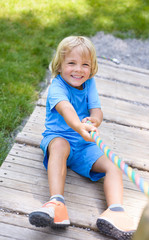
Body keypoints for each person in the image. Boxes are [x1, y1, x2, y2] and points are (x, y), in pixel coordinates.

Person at [29, 36, 136, 240]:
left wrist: (94, 121)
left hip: (84, 144)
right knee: (59, 146)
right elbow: (66, 108)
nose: (78, 70)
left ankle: (115, 211)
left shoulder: (90, 83)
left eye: (85, 64)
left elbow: (97, 110)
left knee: (113, 164)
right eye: (71, 63)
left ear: (92, 67)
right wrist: (79, 125)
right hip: (59, 138)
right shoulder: (57, 87)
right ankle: (56, 203)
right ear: (59, 66)